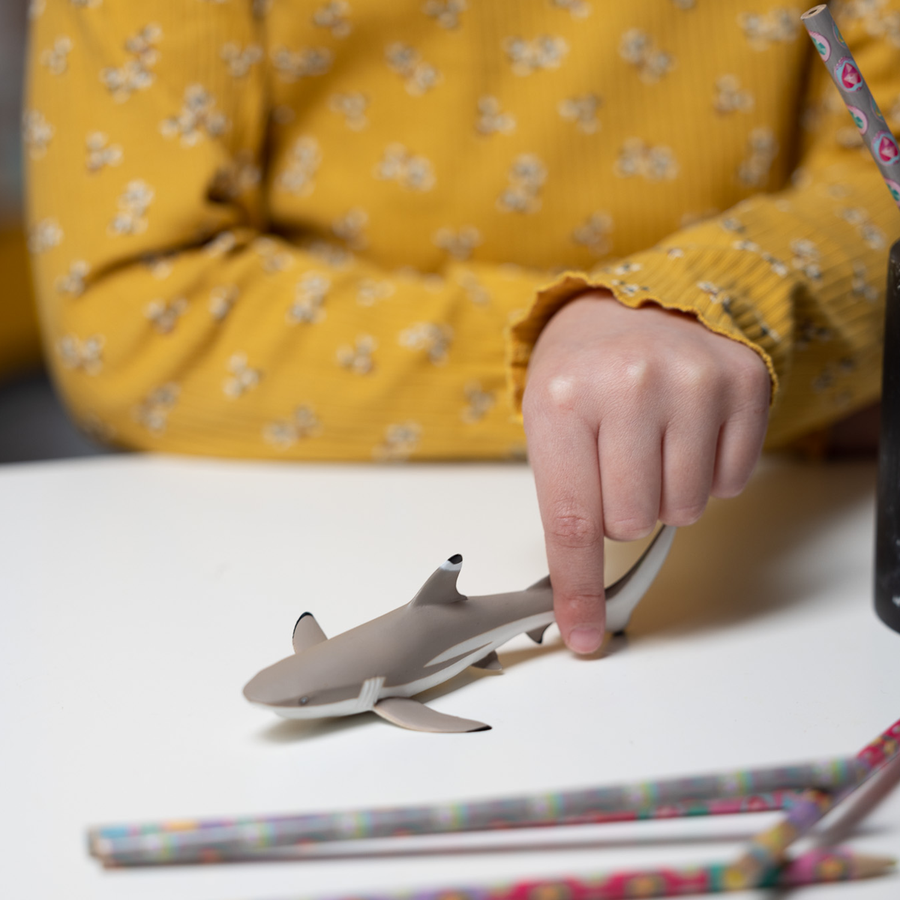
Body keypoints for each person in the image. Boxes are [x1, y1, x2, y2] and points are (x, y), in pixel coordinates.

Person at [25, 1, 899, 654]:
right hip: (247, 539)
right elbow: (136, 321)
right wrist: (598, 340)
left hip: (778, 546)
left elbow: (881, 173)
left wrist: (715, 306)